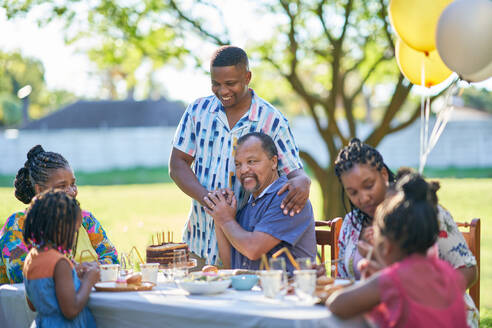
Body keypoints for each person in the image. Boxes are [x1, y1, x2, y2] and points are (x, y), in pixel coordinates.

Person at [170, 46, 311, 266]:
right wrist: (210, 201)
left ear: (247, 77)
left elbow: (294, 173)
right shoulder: (197, 111)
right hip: (195, 244)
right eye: (216, 84)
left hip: (241, 249)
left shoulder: (272, 120)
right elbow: (177, 164)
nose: (222, 91)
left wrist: (303, 179)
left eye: (230, 84)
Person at [333, 138, 478, 326]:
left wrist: (424, 299)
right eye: (353, 193)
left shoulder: (423, 212)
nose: (363, 197)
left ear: (384, 175)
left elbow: (468, 269)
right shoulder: (351, 224)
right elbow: (344, 280)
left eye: (368, 185)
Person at [0, 145, 118, 285]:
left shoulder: (85, 220)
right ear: (40, 190)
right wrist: (78, 270)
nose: (72, 192)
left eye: (73, 184)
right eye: (62, 186)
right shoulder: (18, 225)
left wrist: (93, 267)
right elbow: (21, 276)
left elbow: (112, 258)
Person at [204, 132, 316, 272]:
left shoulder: (289, 197)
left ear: (274, 162)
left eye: (252, 162)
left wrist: (226, 220)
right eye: (238, 164)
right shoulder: (249, 205)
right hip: (255, 291)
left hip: (288, 290)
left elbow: (253, 249)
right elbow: (231, 266)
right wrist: (219, 213)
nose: (243, 170)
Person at [23, 190, 99, 328]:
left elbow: (33, 304)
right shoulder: (60, 262)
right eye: (74, 231)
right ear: (60, 230)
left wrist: (73, 276)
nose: (75, 237)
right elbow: (71, 310)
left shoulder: (31, 258)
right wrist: (89, 280)